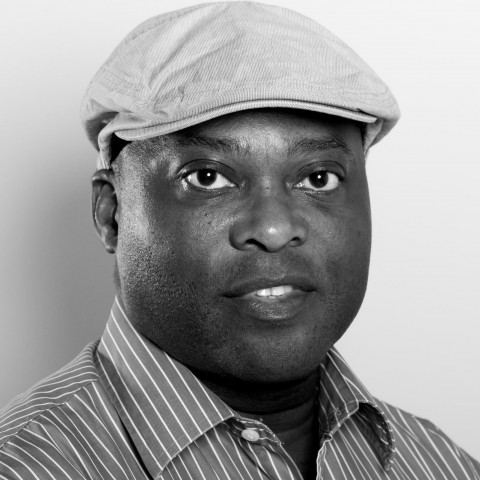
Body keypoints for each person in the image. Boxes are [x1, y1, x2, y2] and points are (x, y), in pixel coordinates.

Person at [0, 2, 478, 479]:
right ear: (112, 214)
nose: (273, 230)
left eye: (319, 178)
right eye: (207, 177)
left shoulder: (439, 464)